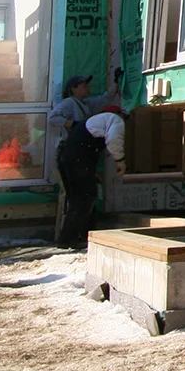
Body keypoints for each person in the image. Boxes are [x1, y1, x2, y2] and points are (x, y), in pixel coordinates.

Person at [51, 74, 114, 246]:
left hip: (80, 155)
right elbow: (53, 118)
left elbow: (104, 99)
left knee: (84, 197)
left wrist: (115, 83)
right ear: (73, 89)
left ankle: (79, 237)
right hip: (70, 154)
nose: (88, 88)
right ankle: (68, 239)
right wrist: (73, 124)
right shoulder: (69, 103)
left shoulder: (86, 104)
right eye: (83, 85)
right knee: (79, 198)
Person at [85, 105, 129, 175]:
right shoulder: (115, 118)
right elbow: (114, 139)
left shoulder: (95, 121)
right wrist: (120, 160)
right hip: (80, 158)